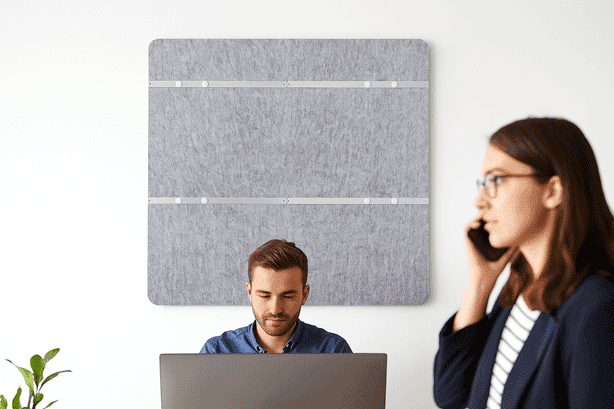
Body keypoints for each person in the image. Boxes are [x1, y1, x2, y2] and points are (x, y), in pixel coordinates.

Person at [433, 117, 614, 409]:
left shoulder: (596, 310)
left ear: (552, 191)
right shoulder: (518, 292)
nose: (480, 201)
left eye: (496, 180)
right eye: (484, 182)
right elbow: (450, 394)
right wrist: (480, 281)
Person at [200, 239, 352, 354]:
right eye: (264, 296)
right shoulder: (217, 351)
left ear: (305, 294)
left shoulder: (333, 350)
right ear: (249, 292)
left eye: (288, 296)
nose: (275, 310)